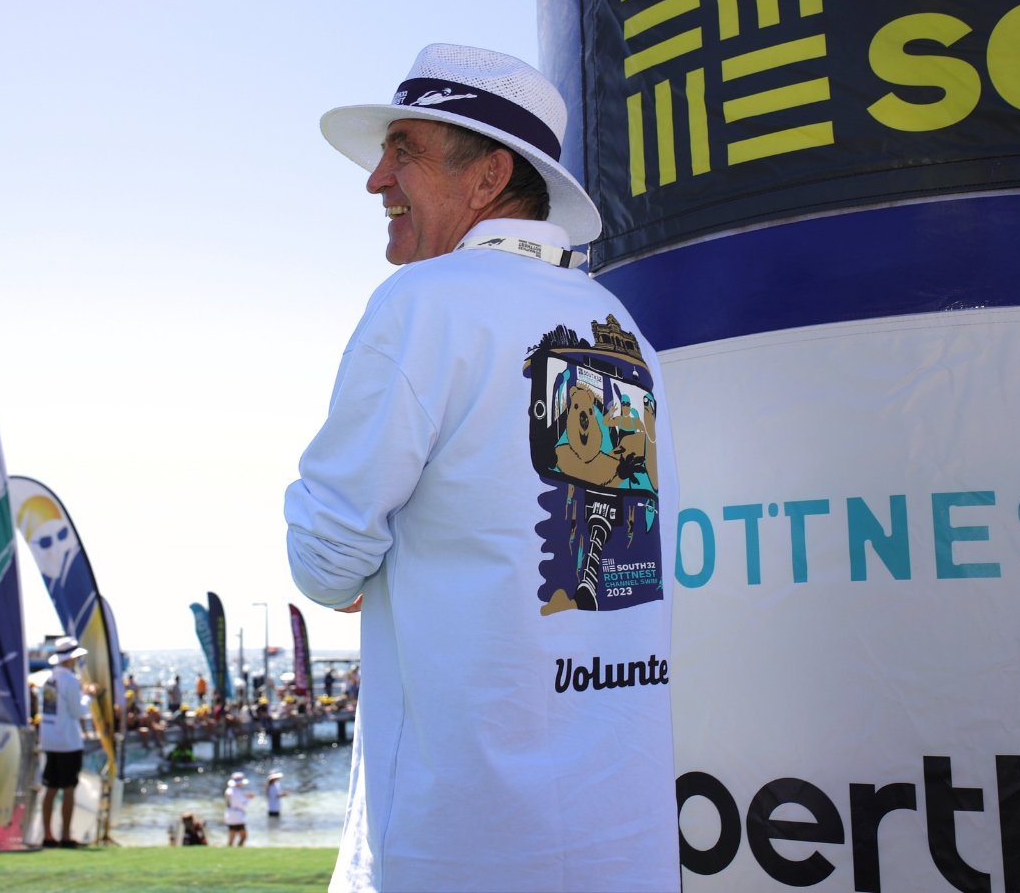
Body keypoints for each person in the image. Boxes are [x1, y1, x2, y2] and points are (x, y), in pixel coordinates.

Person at [285, 43, 681, 891]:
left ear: (490, 176)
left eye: (405, 153)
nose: (375, 182)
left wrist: (373, 558)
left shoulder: (425, 303)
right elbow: (605, 563)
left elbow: (324, 561)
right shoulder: (620, 326)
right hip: (625, 840)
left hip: (460, 842)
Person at [38, 636, 97, 849]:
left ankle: (48, 835)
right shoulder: (69, 680)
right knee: (69, 788)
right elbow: (78, 711)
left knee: (50, 788)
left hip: (50, 739)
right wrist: (89, 696)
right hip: (68, 741)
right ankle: (65, 835)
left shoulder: (49, 679)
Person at [223, 771, 254, 846]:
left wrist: (245, 798)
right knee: (243, 836)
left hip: (230, 815)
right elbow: (241, 805)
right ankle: (239, 849)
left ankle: (230, 850)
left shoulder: (229, 790)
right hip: (237, 816)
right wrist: (248, 798)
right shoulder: (235, 791)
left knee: (231, 836)